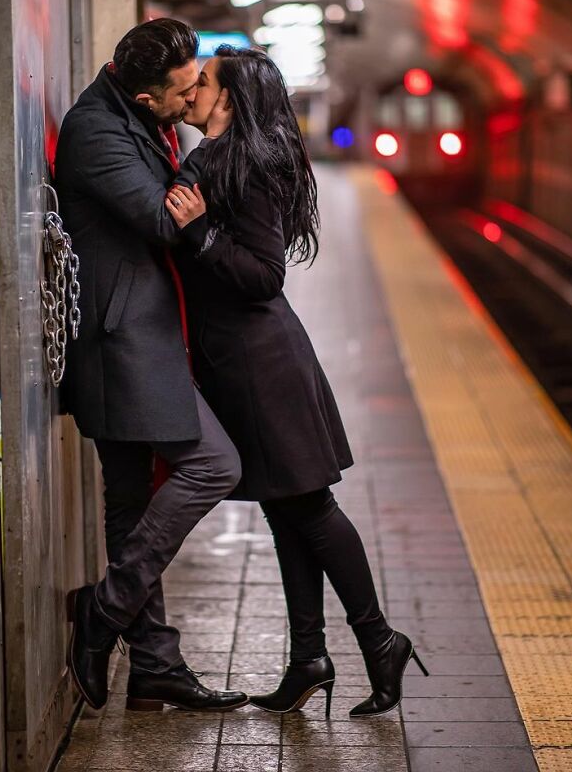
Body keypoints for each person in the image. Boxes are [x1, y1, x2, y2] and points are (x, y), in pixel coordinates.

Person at [164, 46, 429, 719]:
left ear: (230, 100)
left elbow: (263, 275)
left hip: (262, 362)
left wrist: (196, 236)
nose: (192, 88)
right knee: (288, 510)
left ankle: (379, 639)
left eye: (205, 81)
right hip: (241, 360)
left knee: (308, 508)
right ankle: (309, 658)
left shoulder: (248, 167)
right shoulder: (218, 159)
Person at [53, 20, 248, 713]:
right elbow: (166, 220)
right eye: (183, 88)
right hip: (122, 340)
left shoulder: (133, 113)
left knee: (132, 503)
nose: (196, 91)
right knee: (213, 464)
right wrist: (217, 144)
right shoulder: (97, 133)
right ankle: (104, 612)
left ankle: (155, 666)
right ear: (142, 97)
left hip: (142, 331)